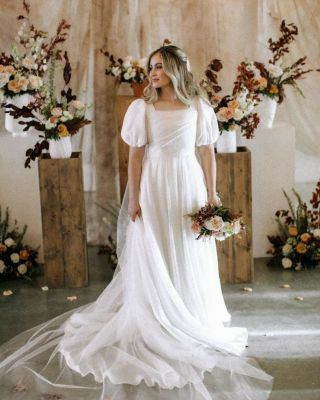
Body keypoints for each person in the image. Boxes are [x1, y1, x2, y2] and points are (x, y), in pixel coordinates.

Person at [0, 44, 273, 400]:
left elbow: (207, 153)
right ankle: (157, 317)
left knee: (187, 246)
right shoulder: (141, 109)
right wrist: (138, 197)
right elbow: (135, 157)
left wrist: (212, 194)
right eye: (151, 67)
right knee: (156, 247)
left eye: (159, 66)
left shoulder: (198, 107)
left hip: (187, 186)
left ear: (176, 68)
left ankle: (189, 312)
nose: (153, 72)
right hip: (156, 186)